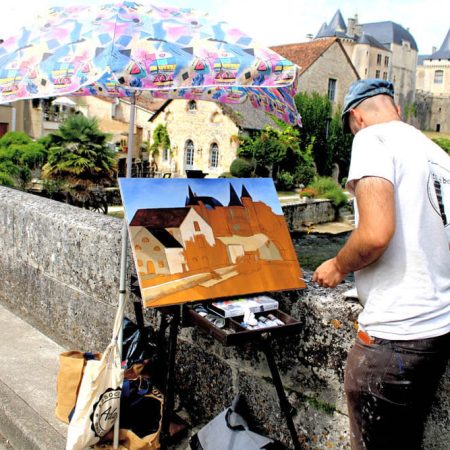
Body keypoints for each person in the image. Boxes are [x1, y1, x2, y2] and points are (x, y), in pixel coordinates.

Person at [313, 79, 450, 450]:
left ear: (356, 117)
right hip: (435, 332)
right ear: (397, 109)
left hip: (394, 338)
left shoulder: (371, 139)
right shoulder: (436, 154)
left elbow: (374, 234)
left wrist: (338, 266)